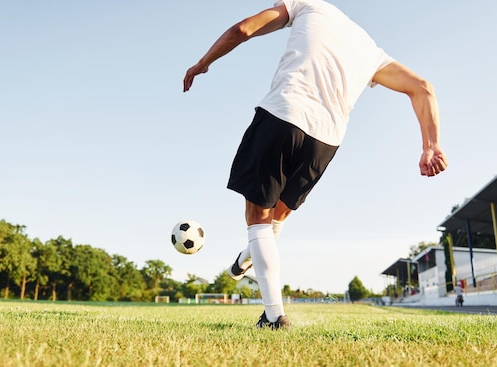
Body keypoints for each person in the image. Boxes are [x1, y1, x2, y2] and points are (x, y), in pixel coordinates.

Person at [183, 0, 448, 329]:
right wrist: (431, 146)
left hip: (283, 114)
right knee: (275, 220)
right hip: (325, 141)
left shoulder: (307, 5)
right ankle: (245, 259)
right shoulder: (370, 50)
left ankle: (274, 316)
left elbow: (243, 29)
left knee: (258, 220)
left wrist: (203, 62)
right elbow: (423, 88)